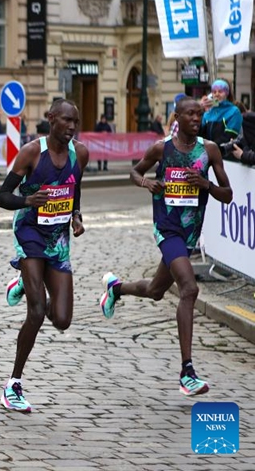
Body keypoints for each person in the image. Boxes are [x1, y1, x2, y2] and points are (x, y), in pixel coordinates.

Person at [99, 96, 232, 396]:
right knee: (189, 288)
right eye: (190, 114)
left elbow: (228, 194)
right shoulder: (162, 148)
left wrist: (206, 185)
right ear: (177, 117)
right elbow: (135, 172)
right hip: (167, 229)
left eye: (199, 114)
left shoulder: (209, 151)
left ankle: (115, 289)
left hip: (189, 235)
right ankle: (187, 371)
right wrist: (148, 184)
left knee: (156, 291)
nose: (196, 119)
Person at [0, 99, 88, 412]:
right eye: (66, 121)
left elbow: (75, 188)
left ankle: (24, 283)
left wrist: (76, 215)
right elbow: (2, 197)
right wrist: (28, 200)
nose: (72, 127)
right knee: (36, 312)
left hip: (58, 239)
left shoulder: (81, 154)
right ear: (51, 119)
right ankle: (13, 384)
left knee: (62, 320)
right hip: (30, 235)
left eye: (75, 122)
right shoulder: (32, 153)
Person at [200, 78, 242, 147]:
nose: (217, 94)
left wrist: (210, 148)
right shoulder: (208, 113)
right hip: (208, 153)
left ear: (226, 93)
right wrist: (201, 109)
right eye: (214, 92)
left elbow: (229, 136)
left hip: (226, 154)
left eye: (220, 91)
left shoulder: (234, 111)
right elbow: (200, 135)